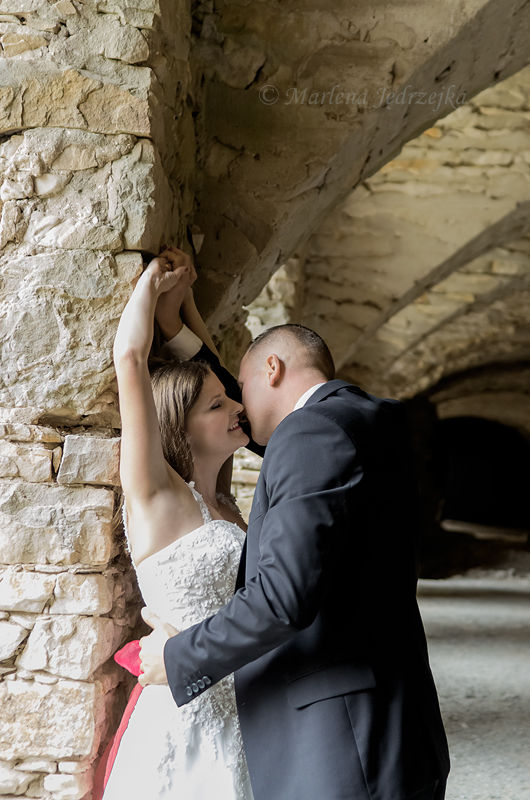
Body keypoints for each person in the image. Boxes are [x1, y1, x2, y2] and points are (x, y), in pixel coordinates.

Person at [139, 257, 451, 800]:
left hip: (344, 743)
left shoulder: (311, 435)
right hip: (393, 725)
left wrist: (178, 657)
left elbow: (283, 599)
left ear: (273, 369)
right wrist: (176, 323)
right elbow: (250, 424)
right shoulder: (369, 419)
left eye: (241, 388)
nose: (238, 407)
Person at [101, 248, 255, 800]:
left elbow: (218, 379)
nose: (236, 406)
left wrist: (185, 305)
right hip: (185, 710)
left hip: (247, 708)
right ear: (181, 428)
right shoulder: (157, 495)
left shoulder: (226, 502)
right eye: (217, 406)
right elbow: (129, 359)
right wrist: (152, 282)